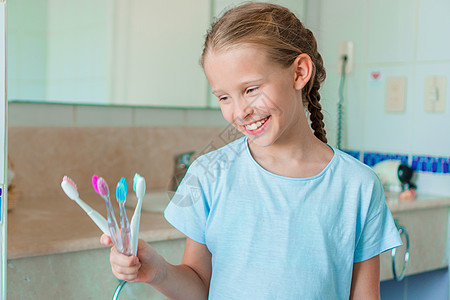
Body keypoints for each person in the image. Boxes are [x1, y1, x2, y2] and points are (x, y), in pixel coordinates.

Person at [100, 2, 402, 299]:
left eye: (251, 89)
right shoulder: (207, 174)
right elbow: (199, 287)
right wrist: (158, 271)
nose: (239, 111)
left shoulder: (358, 186)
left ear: (299, 72)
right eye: (224, 97)